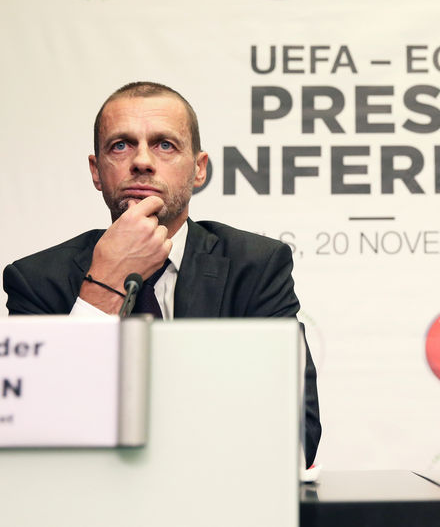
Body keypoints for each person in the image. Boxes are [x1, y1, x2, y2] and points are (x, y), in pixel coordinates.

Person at [3, 82, 321, 467]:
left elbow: (296, 431)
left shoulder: (255, 265)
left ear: (199, 169)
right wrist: (104, 284)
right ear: (97, 171)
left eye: (164, 145)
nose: (141, 161)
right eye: (120, 145)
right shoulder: (36, 279)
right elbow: (31, 433)